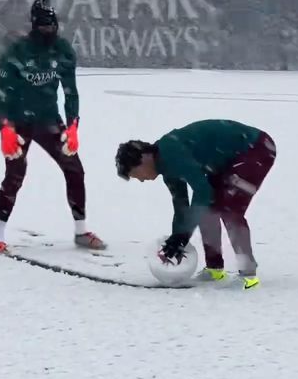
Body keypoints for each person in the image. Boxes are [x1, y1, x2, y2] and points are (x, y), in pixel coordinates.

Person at [0, 0, 105, 253]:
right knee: (15, 175)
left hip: (48, 120)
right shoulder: (16, 51)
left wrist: (73, 125)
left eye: (52, 26)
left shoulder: (63, 51)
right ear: (33, 26)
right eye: (42, 27)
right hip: (18, 120)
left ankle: (81, 230)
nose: (48, 31)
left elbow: (71, 91)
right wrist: (5, 127)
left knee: (74, 169)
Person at [115, 119, 276, 289]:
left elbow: (203, 192)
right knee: (208, 210)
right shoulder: (166, 167)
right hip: (224, 160)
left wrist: (183, 236)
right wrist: (177, 238)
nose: (140, 180)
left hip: (256, 149)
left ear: (143, 158)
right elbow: (181, 207)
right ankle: (215, 269)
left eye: (135, 174)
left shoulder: (171, 152)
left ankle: (248, 276)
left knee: (230, 209)